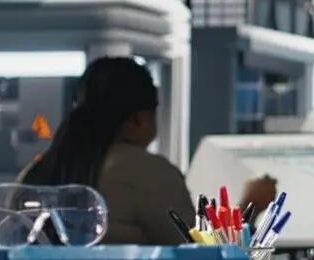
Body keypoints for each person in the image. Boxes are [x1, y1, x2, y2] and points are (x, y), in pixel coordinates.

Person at [20, 56, 276, 245]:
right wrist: (250, 206)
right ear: (138, 119)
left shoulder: (34, 174)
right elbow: (203, 258)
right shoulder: (146, 172)